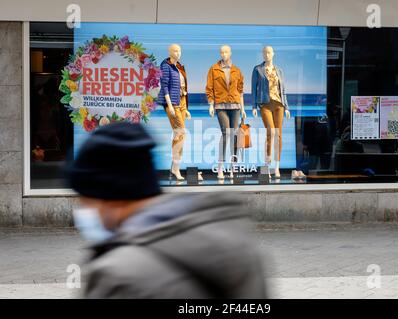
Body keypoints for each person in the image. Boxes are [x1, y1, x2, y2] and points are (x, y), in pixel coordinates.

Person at [65, 122, 267, 298]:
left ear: (109, 198)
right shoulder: (238, 245)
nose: (83, 212)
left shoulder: (116, 276)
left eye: (86, 201)